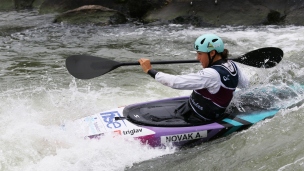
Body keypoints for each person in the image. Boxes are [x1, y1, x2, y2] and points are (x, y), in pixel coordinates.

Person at [138, 33, 249, 123]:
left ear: (212, 53)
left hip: (197, 118)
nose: (197, 58)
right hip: (191, 108)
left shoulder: (211, 74)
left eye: (200, 54)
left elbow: (175, 82)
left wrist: (149, 70)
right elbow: (246, 85)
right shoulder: (233, 65)